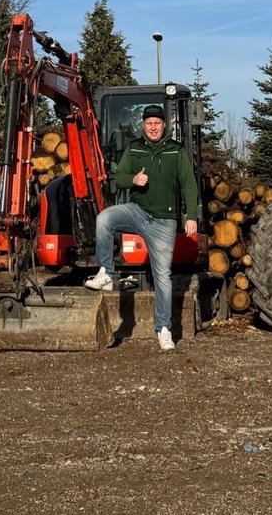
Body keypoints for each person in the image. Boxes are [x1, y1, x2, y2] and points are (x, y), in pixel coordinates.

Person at [84, 104, 200, 350]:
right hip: (137, 212)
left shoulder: (176, 151)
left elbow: (188, 184)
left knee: (163, 278)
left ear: (164, 125)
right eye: (149, 123)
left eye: (157, 123)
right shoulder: (134, 148)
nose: (153, 127)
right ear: (143, 125)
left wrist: (191, 215)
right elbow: (119, 177)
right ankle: (107, 272)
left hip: (164, 221)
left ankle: (164, 330)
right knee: (104, 218)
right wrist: (133, 179)